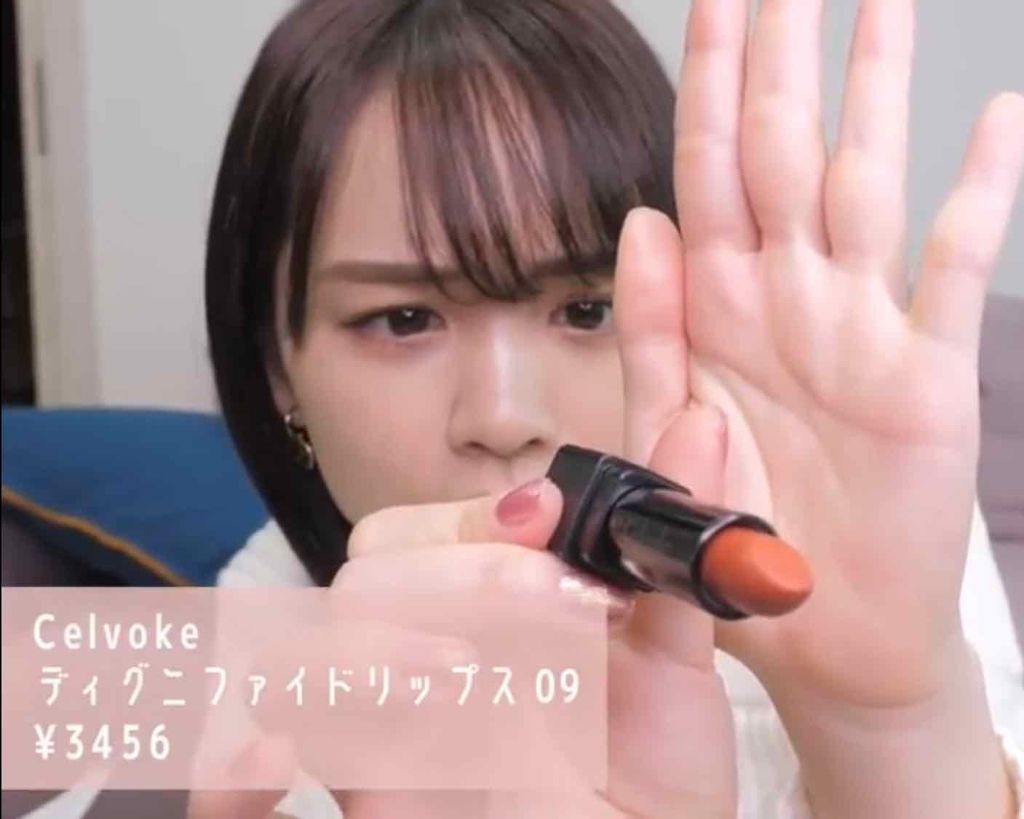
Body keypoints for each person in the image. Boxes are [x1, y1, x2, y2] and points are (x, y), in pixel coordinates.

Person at [197, 0, 1024, 816]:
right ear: (277, 368)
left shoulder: (855, 505)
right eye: (405, 319)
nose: (504, 415)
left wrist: (886, 728)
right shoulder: (259, 649)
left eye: (586, 310)